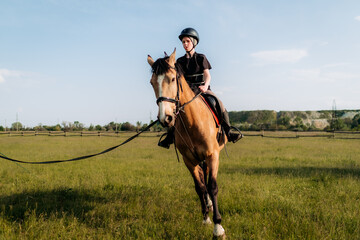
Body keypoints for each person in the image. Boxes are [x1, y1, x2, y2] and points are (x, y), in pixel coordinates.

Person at [158, 27, 242, 148]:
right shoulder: (180, 61)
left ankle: (228, 131)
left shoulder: (201, 58)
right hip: (187, 92)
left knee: (218, 103)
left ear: (194, 42)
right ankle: (170, 136)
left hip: (202, 89)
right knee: (175, 111)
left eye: (187, 41)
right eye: (183, 42)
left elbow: (207, 75)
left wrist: (205, 85)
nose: (185, 44)